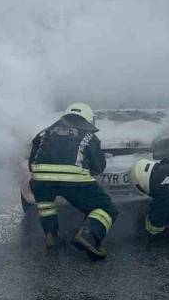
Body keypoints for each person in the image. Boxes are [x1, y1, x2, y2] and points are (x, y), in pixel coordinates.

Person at [27, 103, 119, 260]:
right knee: (106, 208)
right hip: (74, 181)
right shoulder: (89, 134)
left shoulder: (44, 132)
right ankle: (88, 235)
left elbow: (31, 162)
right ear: (89, 119)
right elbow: (98, 167)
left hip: (40, 180)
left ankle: (51, 235)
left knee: (46, 204)